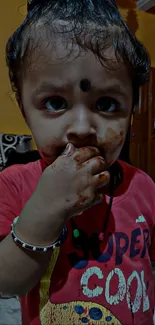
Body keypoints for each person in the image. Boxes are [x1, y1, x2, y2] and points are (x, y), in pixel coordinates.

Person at [0, 0, 154, 324]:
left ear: (133, 108)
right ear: (24, 108)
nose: (82, 128)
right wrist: (46, 207)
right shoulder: (15, 185)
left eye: (107, 103)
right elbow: (7, 282)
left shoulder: (143, 187)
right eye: (55, 102)